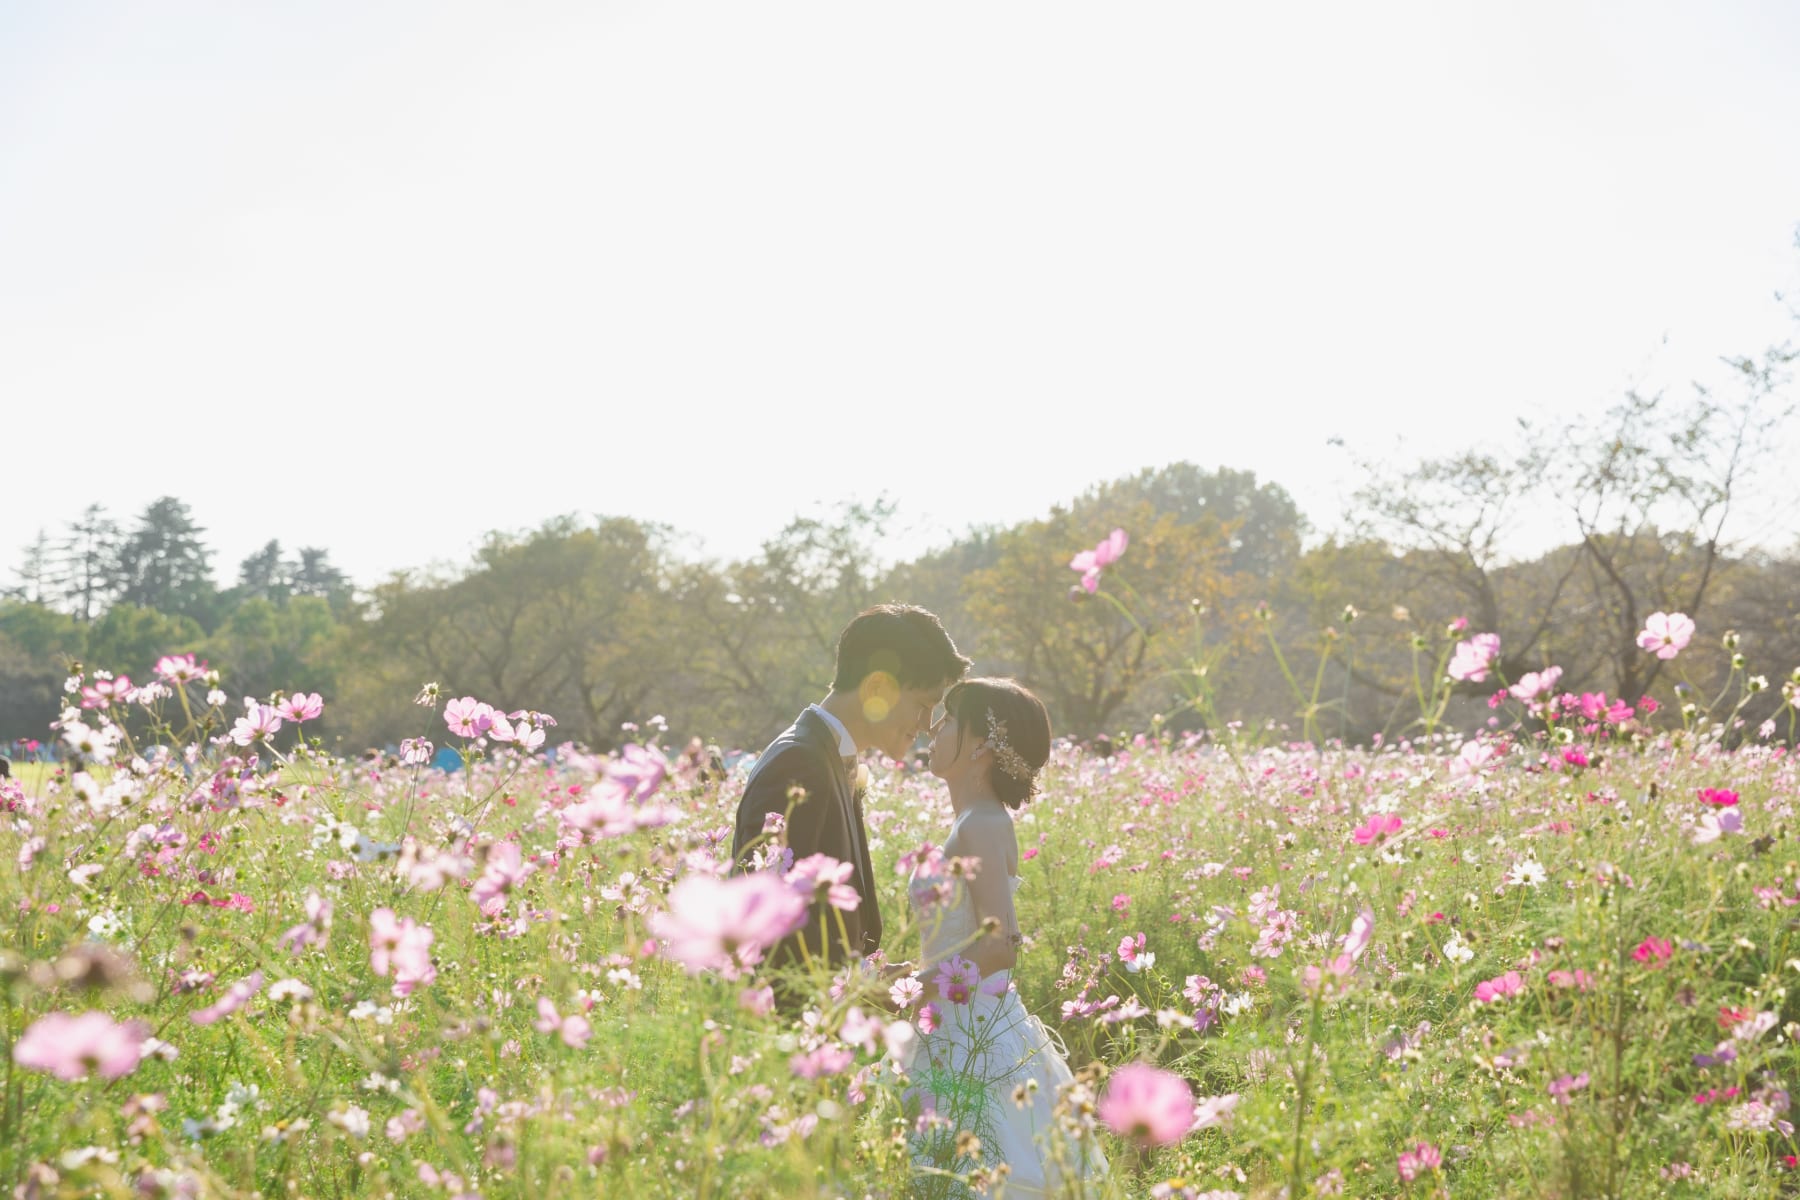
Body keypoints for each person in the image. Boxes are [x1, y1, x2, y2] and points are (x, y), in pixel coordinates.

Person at [905, 677, 1108, 1196]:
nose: (932, 728)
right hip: (958, 1017)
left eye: (948, 719)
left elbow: (1001, 944)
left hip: (970, 1030)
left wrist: (919, 987)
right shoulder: (974, 820)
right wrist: (912, 976)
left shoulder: (980, 824)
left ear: (981, 745)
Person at [731, 604, 970, 984]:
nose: (928, 725)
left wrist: (866, 977)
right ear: (877, 688)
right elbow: (770, 918)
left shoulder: (825, 755)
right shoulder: (799, 762)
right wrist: (859, 984)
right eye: (924, 705)